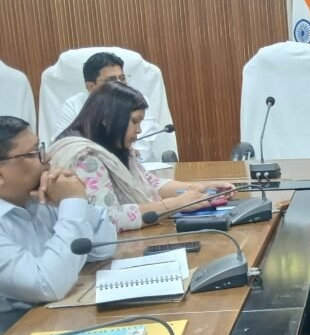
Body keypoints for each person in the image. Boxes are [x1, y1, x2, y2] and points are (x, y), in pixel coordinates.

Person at [48, 82, 234, 231]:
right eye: (135, 121)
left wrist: (201, 188)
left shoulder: (113, 145)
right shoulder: (86, 158)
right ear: (107, 119)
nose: (139, 130)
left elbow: (150, 184)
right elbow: (109, 218)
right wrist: (177, 204)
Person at [0, 116, 116, 332]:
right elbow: (47, 285)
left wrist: (75, 200)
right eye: (33, 153)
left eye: (40, 147)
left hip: (54, 320)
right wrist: (72, 202)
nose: (47, 158)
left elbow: (103, 248)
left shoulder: (39, 198)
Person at [54, 51, 162, 162]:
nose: (120, 84)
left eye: (122, 78)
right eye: (111, 81)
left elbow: (142, 149)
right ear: (91, 86)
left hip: (138, 167)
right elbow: (62, 147)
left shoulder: (137, 102)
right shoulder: (73, 105)